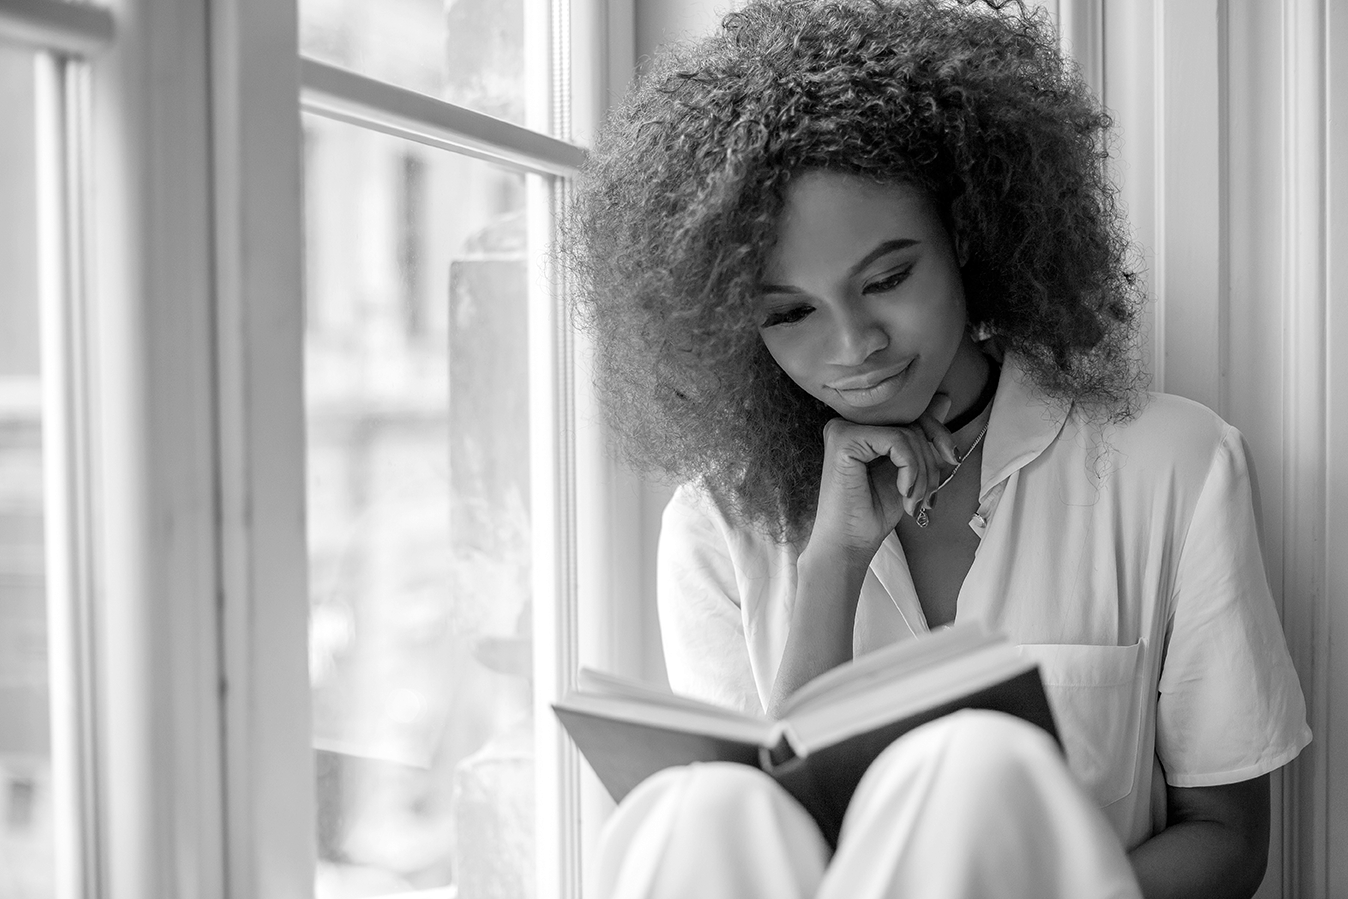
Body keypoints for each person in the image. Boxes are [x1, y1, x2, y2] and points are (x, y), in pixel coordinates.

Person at [565, 1, 1311, 897]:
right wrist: (833, 562)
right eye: (790, 312)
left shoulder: (1174, 465)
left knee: (968, 769)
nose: (854, 346)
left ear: (968, 236)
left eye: (886, 278)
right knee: (697, 810)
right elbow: (765, 848)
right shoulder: (715, 522)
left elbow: (1228, 838)